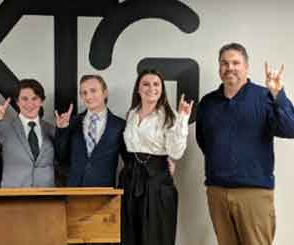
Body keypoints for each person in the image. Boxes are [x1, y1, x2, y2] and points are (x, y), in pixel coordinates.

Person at [196, 42, 294, 245]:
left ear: (246, 67)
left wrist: (278, 95)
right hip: (217, 192)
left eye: (235, 62)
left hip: (254, 193)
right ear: (219, 68)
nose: (229, 67)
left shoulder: (264, 97)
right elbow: (204, 141)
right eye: (224, 63)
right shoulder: (207, 103)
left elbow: (290, 128)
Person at [120, 69, 193, 245]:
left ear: (162, 89)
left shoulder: (170, 116)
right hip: (130, 179)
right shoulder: (131, 114)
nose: (151, 88)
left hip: (157, 180)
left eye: (156, 84)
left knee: (156, 234)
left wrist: (183, 118)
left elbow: (176, 153)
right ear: (138, 89)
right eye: (146, 84)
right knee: (129, 233)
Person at [0, 79, 55, 187]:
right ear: (17, 102)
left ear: (41, 101)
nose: (30, 104)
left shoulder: (50, 129)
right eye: (24, 99)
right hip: (13, 196)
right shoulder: (5, 128)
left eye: (34, 98)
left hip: (47, 197)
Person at [54, 74, 126, 187]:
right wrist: (62, 129)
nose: (88, 96)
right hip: (74, 192)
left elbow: (129, 163)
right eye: (84, 93)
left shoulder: (119, 125)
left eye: (93, 91)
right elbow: (60, 157)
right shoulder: (72, 122)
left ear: (105, 92)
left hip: (105, 193)